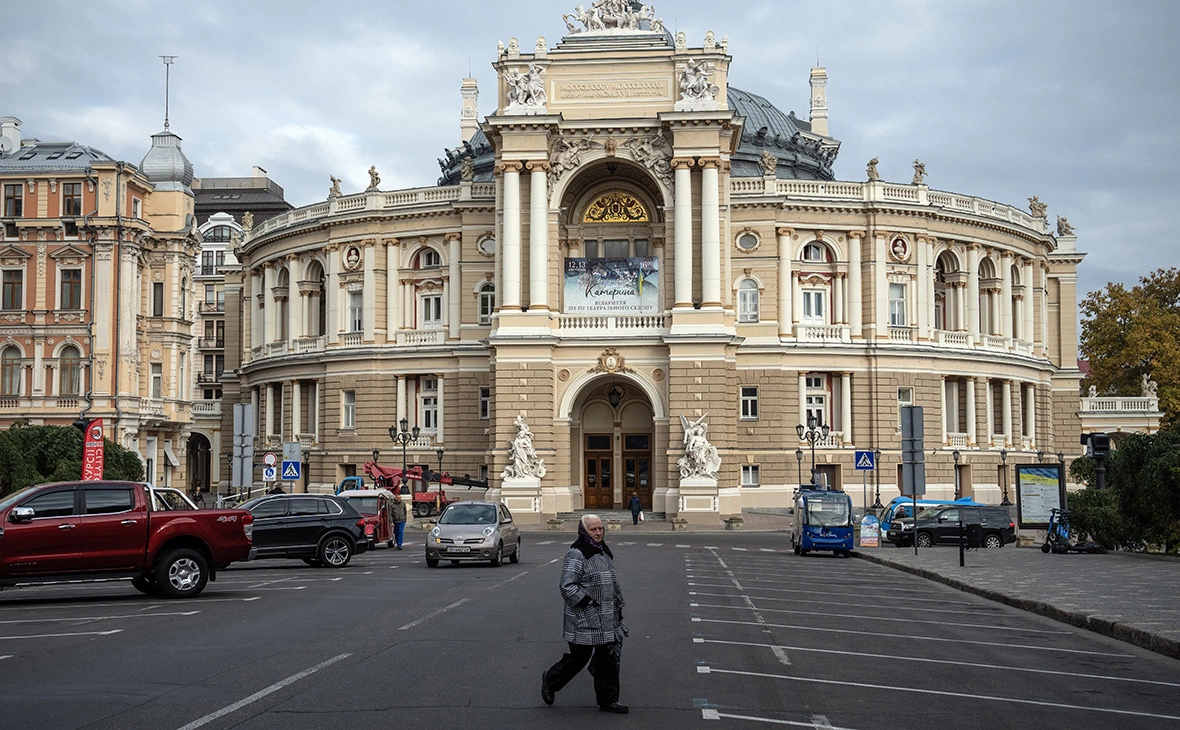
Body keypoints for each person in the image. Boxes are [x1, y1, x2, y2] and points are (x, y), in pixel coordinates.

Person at [542, 514, 628, 714]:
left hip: (606, 615)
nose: (598, 533)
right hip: (584, 617)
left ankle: (608, 700)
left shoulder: (602, 550)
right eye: (593, 530)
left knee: (607, 657)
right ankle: (550, 680)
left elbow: (611, 581)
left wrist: (618, 607)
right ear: (584, 531)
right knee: (579, 657)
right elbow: (567, 586)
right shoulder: (577, 553)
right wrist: (588, 602)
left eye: (600, 529)